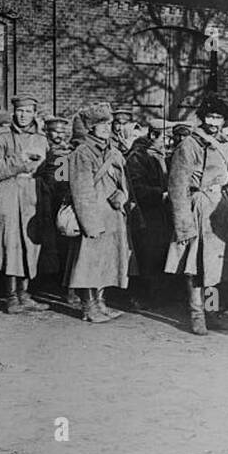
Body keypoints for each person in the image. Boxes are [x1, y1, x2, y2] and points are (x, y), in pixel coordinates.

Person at [166, 94, 228, 335]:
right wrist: (183, 224)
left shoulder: (227, 143)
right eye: (210, 116)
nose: (214, 122)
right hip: (200, 207)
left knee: (219, 268)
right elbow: (177, 185)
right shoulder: (190, 144)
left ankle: (213, 312)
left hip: (223, 208)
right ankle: (197, 315)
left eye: (219, 117)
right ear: (203, 117)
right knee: (197, 266)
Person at [0, 94, 49, 314]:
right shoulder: (0, 136)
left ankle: (25, 294)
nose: (23, 115)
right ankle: (11, 297)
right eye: (20, 111)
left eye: (28, 111)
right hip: (9, 192)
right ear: (14, 112)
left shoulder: (41, 138)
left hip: (32, 194)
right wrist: (19, 160)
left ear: (34, 113)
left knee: (31, 244)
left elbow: (48, 167)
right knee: (10, 244)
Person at [66, 103, 130, 323]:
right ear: (90, 127)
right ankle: (88, 306)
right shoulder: (82, 152)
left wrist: (123, 195)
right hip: (92, 216)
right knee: (87, 263)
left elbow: (124, 182)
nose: (105, 127)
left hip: (112, 215)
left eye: (108, 123)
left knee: (106, 261)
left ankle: (101, 303)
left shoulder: (114, 151)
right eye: (100, 124)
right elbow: (81, 190)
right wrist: (90, 224)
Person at [124, 119, 172, 308]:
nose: (170, 143)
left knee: (158, 254)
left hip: (160, 214)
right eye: (166, 138)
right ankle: (139, 297)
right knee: (145, 256)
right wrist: (161, 194)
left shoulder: (160, 155)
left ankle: (155, 295)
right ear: (153, 136)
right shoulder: (138, 157)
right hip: (146, 215)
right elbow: (137, 188)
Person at [34, 115, 76, 305]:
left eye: (62, 131)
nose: (59, 135)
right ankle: (42, 283)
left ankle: (62, 284)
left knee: (64, 244)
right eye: (55, 131)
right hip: (44, 200)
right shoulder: (43, 149)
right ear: (47, 131)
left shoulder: (68, 151)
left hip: (61, 201)